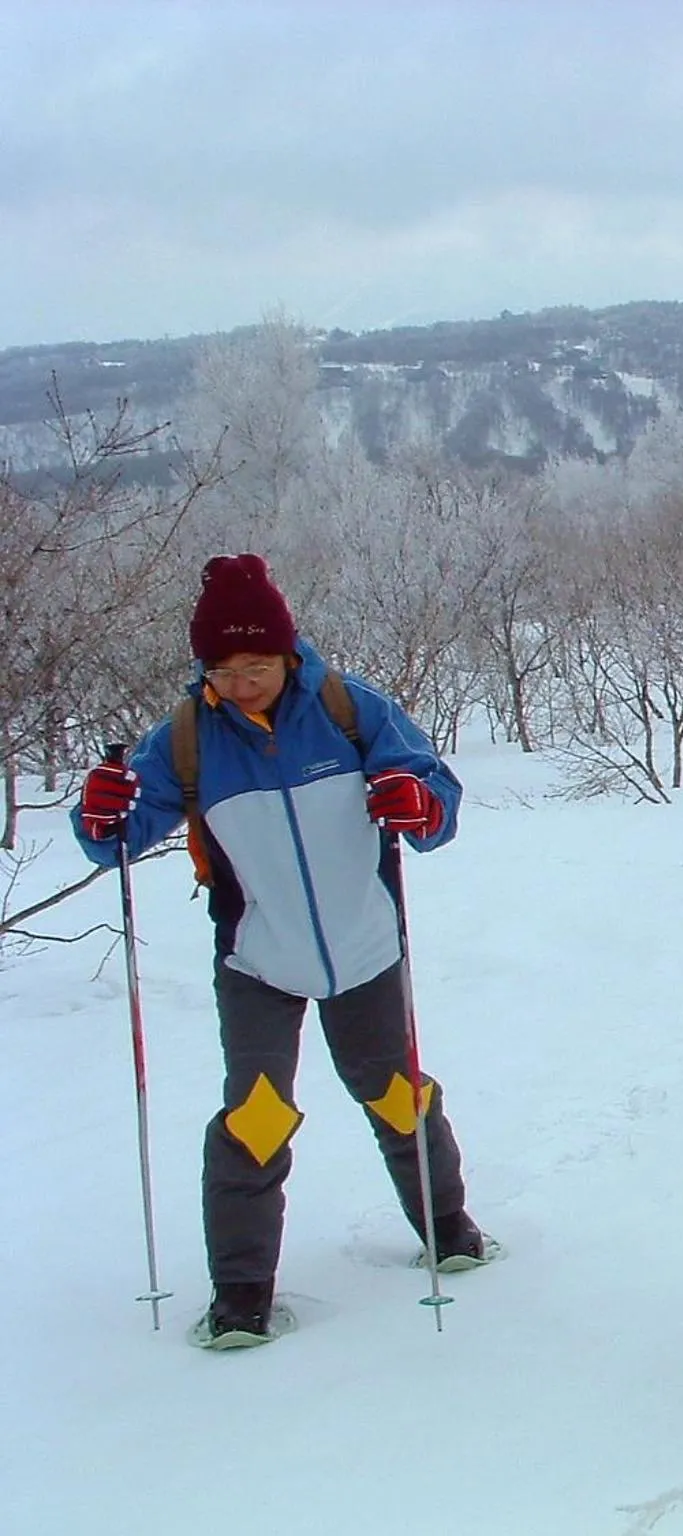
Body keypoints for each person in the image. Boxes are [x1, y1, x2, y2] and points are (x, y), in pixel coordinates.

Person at [72, 554, 491, 1347]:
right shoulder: (186, 742)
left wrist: (416, 804)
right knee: (256, 1119)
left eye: (256, 665)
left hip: (364, 947)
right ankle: (241, 1295)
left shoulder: (347, 711)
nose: (241, 683)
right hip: (259, 959)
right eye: (222, 670)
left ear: (289, 654)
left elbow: (434, 797)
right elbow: (119, 837)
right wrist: (98, 817)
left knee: (397, 1096)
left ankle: (449, 1227)